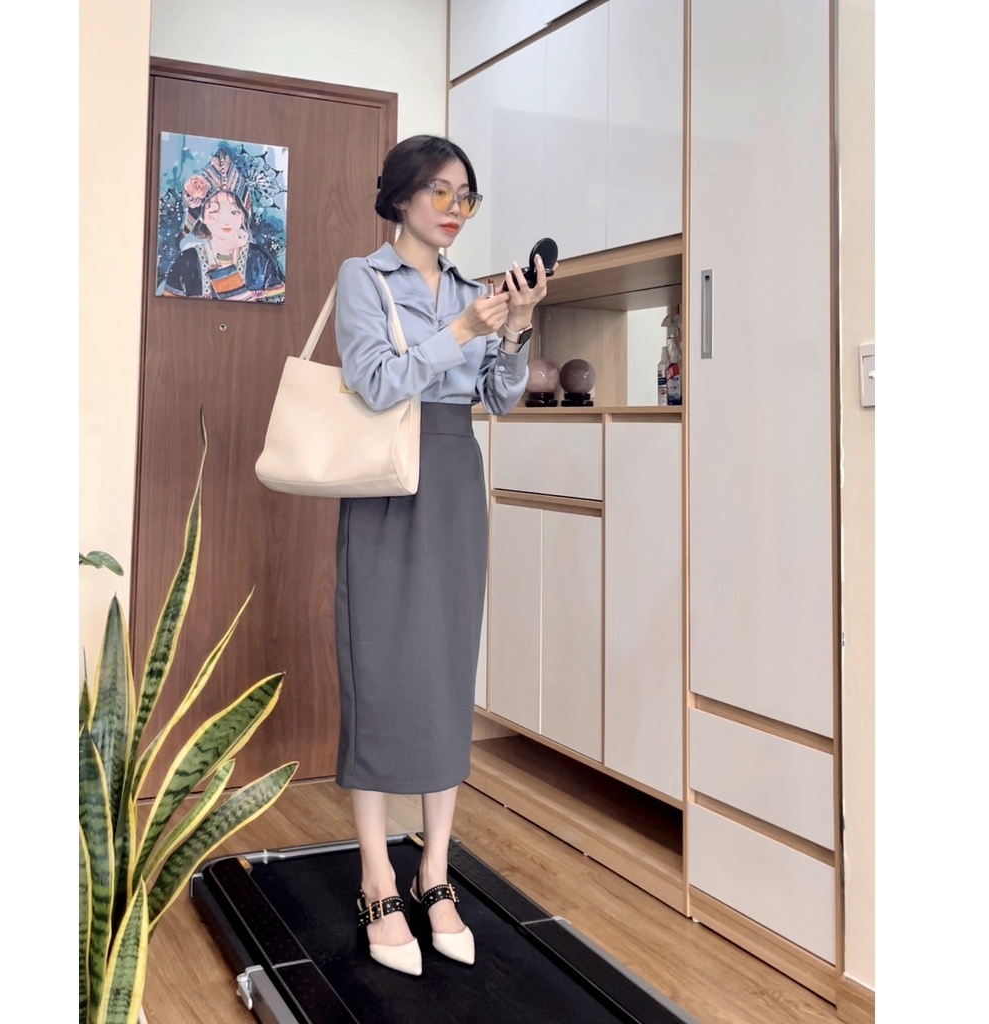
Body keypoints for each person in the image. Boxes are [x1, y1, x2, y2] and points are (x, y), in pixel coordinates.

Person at [333, 134, 554, 977]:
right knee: (380, 665)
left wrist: (515, 329)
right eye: (440, 192)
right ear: (400, 196)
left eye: (466, 196)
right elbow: (374, 382)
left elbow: (498, 398)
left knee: (447, 668)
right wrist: (462, 329)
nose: (455, 209)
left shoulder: (475, 289)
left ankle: (434, 871)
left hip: (457, 475)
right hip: (388, 475)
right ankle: (376, 876)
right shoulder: (364, 278)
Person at [163, 157, 285, 301]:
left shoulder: (259, 257)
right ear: (202, 218)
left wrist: (226, 256)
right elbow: (169, 307)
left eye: (234, 212)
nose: (226, 221)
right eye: (215, 211)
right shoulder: (187, 259)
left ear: (244, 216)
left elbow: (277, 304)